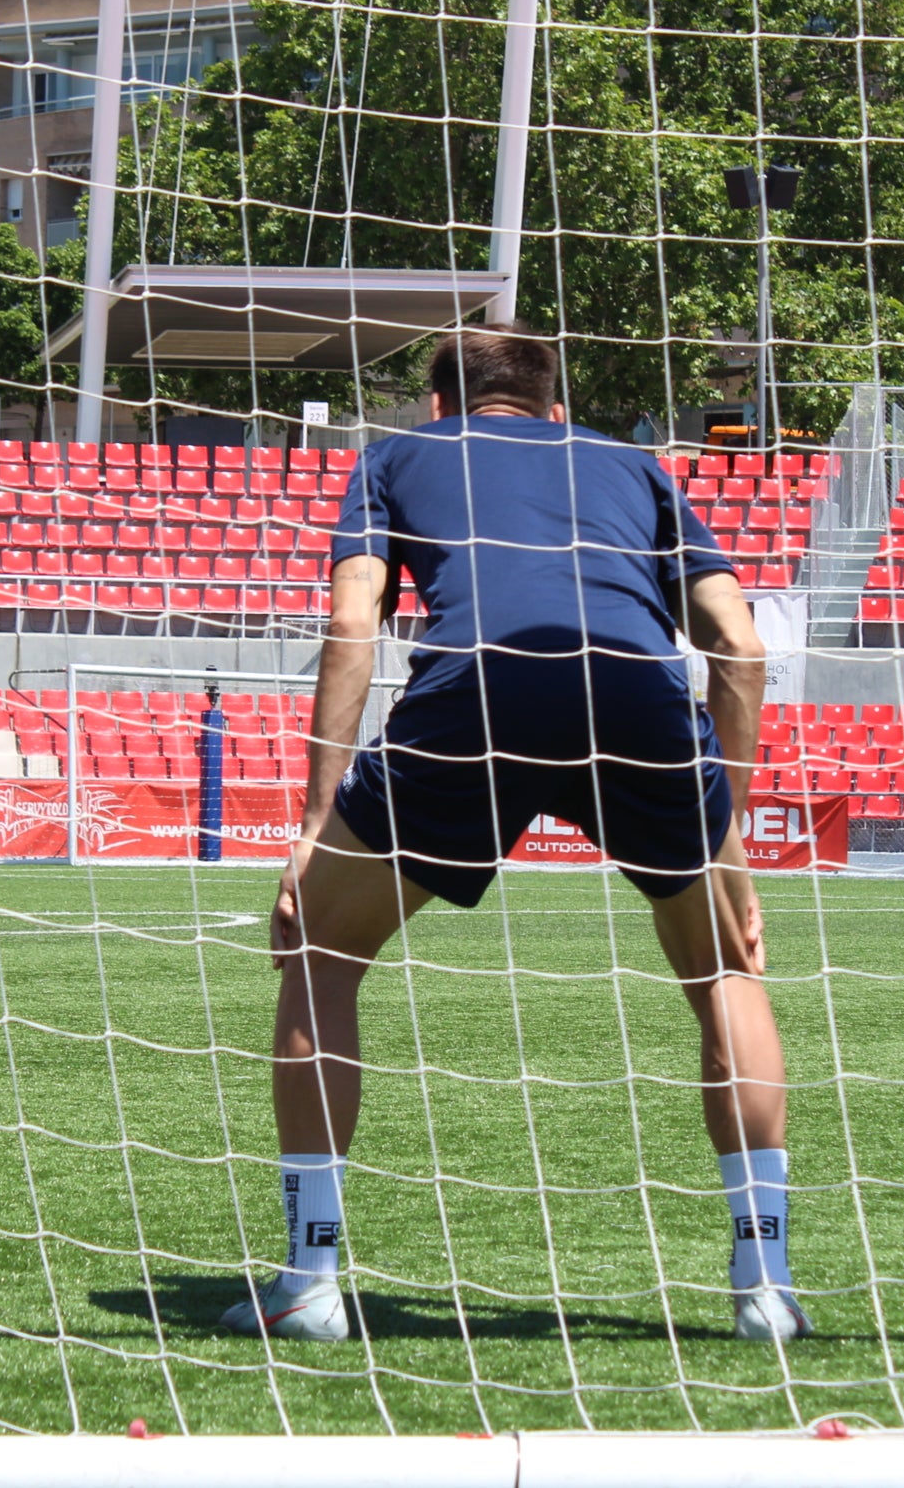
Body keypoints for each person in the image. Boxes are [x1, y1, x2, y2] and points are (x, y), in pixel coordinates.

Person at [222, 329, 804, 1345]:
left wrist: (315, 820)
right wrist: (726, 838)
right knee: (724, 975)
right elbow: (740, 647)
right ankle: (764, 1284)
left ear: (440, 401)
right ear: (551, 404)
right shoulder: (634, 466)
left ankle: (309, 1278)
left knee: (319, 952)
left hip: (475, 685)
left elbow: (353, 624)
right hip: (633, 696)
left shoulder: (399, 456)